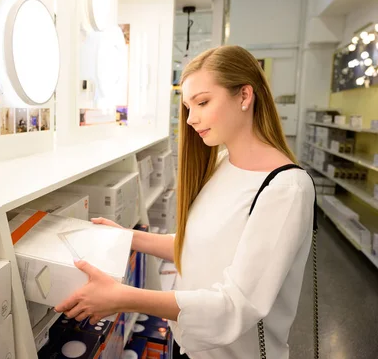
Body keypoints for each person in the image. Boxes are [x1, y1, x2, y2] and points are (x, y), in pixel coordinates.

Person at [54, 45, 315, 359]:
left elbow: (235, 305)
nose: (191, 119)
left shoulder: (286, 188)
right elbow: (198, 246)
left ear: (244, 96)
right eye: (189, 106)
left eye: (203, 102)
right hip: (189, 345)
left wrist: (123, 297)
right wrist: (126, 238)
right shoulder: (221, 163)